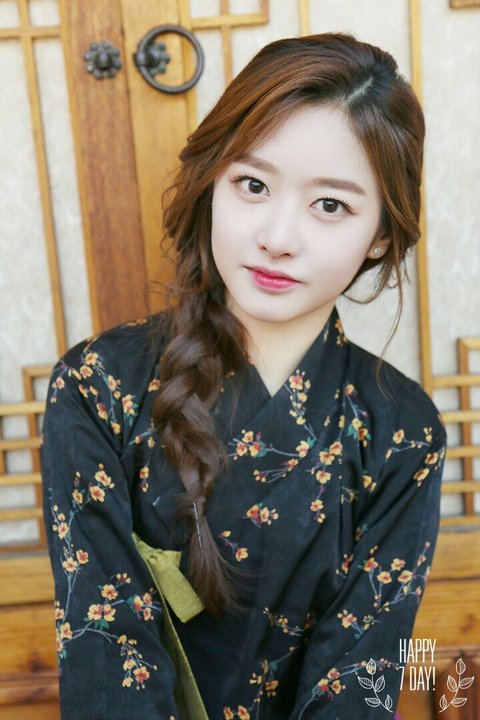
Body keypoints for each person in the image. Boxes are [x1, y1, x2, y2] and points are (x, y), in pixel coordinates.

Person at [42, 33, 446, 719]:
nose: (277, 238)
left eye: (331, 205)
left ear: (381, 233)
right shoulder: (97, 385)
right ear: (212, 184)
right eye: (252, 185)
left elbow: (361, 678)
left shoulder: (403, 432)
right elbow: (105, 655)